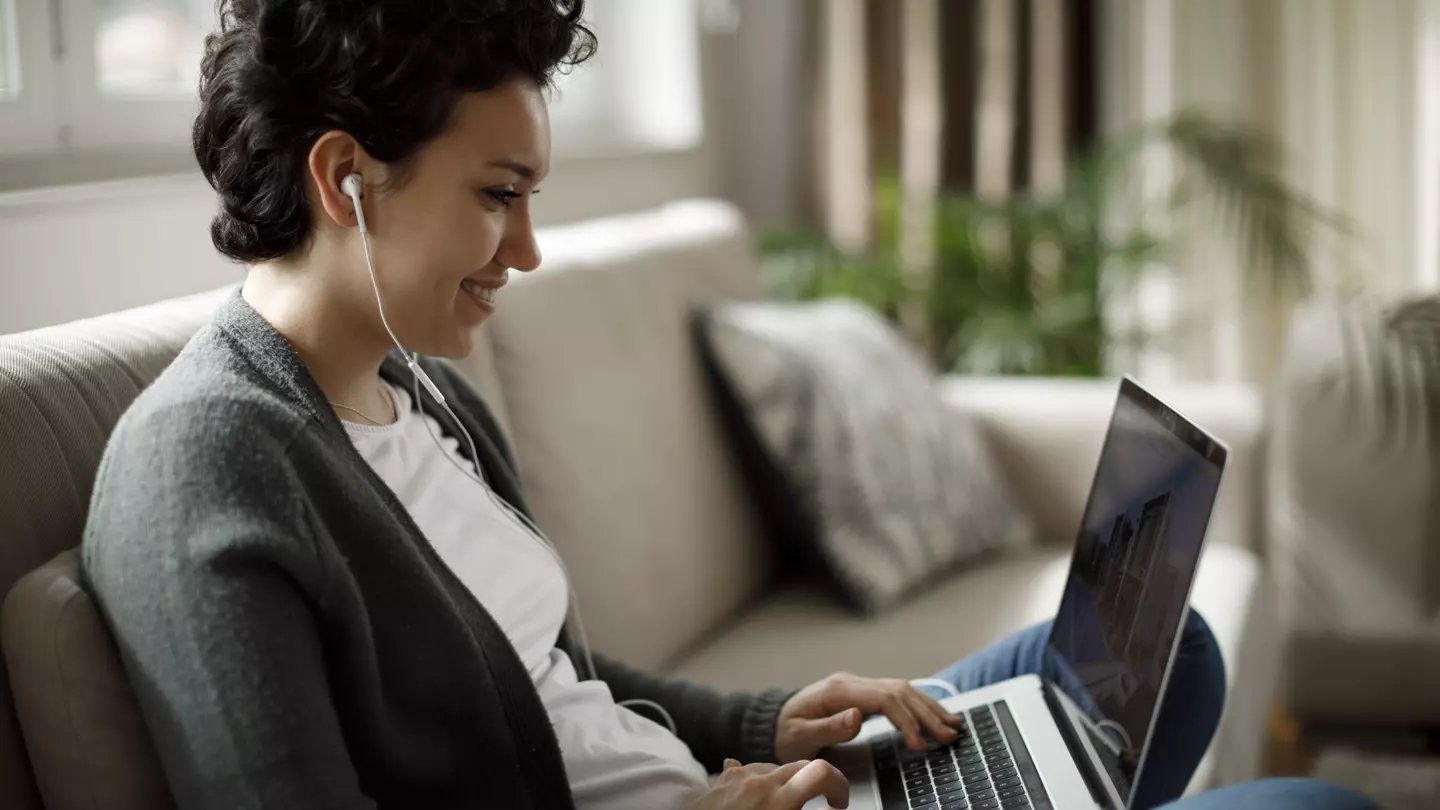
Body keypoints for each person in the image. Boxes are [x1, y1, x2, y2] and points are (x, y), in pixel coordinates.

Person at [81, 1, 1375, 809]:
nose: (525, 251)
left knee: (1168, 655)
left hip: (736, 786)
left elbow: (560, 685)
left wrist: (767, 718)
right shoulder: (208, 468)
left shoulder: (418, 386)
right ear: (343, 178)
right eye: (496, 193)